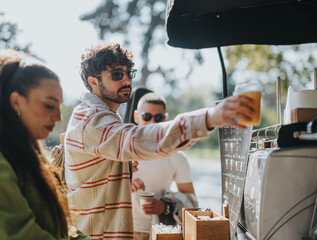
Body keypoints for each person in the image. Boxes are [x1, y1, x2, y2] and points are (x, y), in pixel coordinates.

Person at [64, 42, 255, 239]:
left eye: (129, 73)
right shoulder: (92, 119)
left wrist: (124, 174)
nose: (127, 80)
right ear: (93, 82)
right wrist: (208, 118)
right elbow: (138, 139)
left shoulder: (97, 116)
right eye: (117, 75)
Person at [0, 51, 90, 239]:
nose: (58, 117)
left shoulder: (33, 158)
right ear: (16, 101)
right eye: (49, 105)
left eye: (59, 106)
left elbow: (63, 231)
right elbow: (22, 233)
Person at [132, 92, 197, 240]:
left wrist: (165, 206)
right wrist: (122, 183)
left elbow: (192, 202)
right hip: (122, 229)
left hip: (160, 231)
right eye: (146, 116)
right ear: (137, 116)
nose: (152, 122)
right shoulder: (122, 151)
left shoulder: (177, 156)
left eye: (159, 118)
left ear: (166, 119)